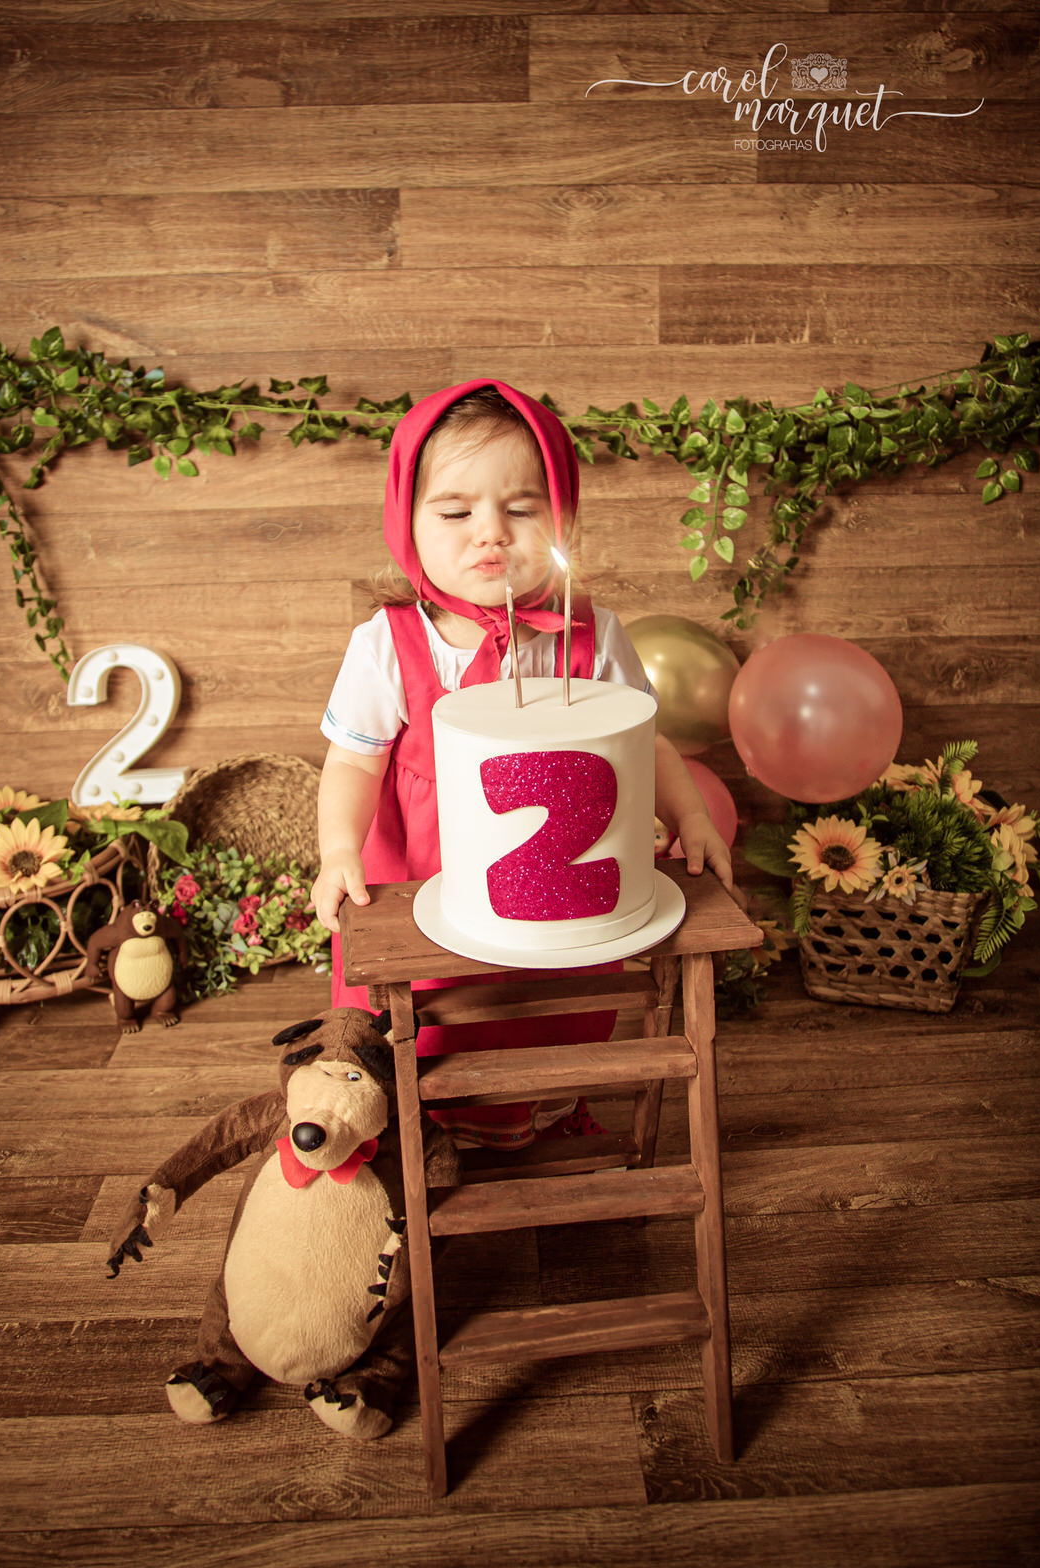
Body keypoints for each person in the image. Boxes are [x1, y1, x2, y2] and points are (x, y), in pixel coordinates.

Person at [311, 379, 733, 1150]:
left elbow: (648, 744)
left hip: (563, 877)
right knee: (441, 1008)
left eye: (521, 509)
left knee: (553, 1005)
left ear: (563, 513)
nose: (490, 535)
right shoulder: (388, 644)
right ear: (405, 521)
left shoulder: (591, 636)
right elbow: (353, 764)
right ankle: (431, 1126)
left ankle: (536, 1106)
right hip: (429, 867)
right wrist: (339, 850)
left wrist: (691, 816)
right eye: (454, 513)